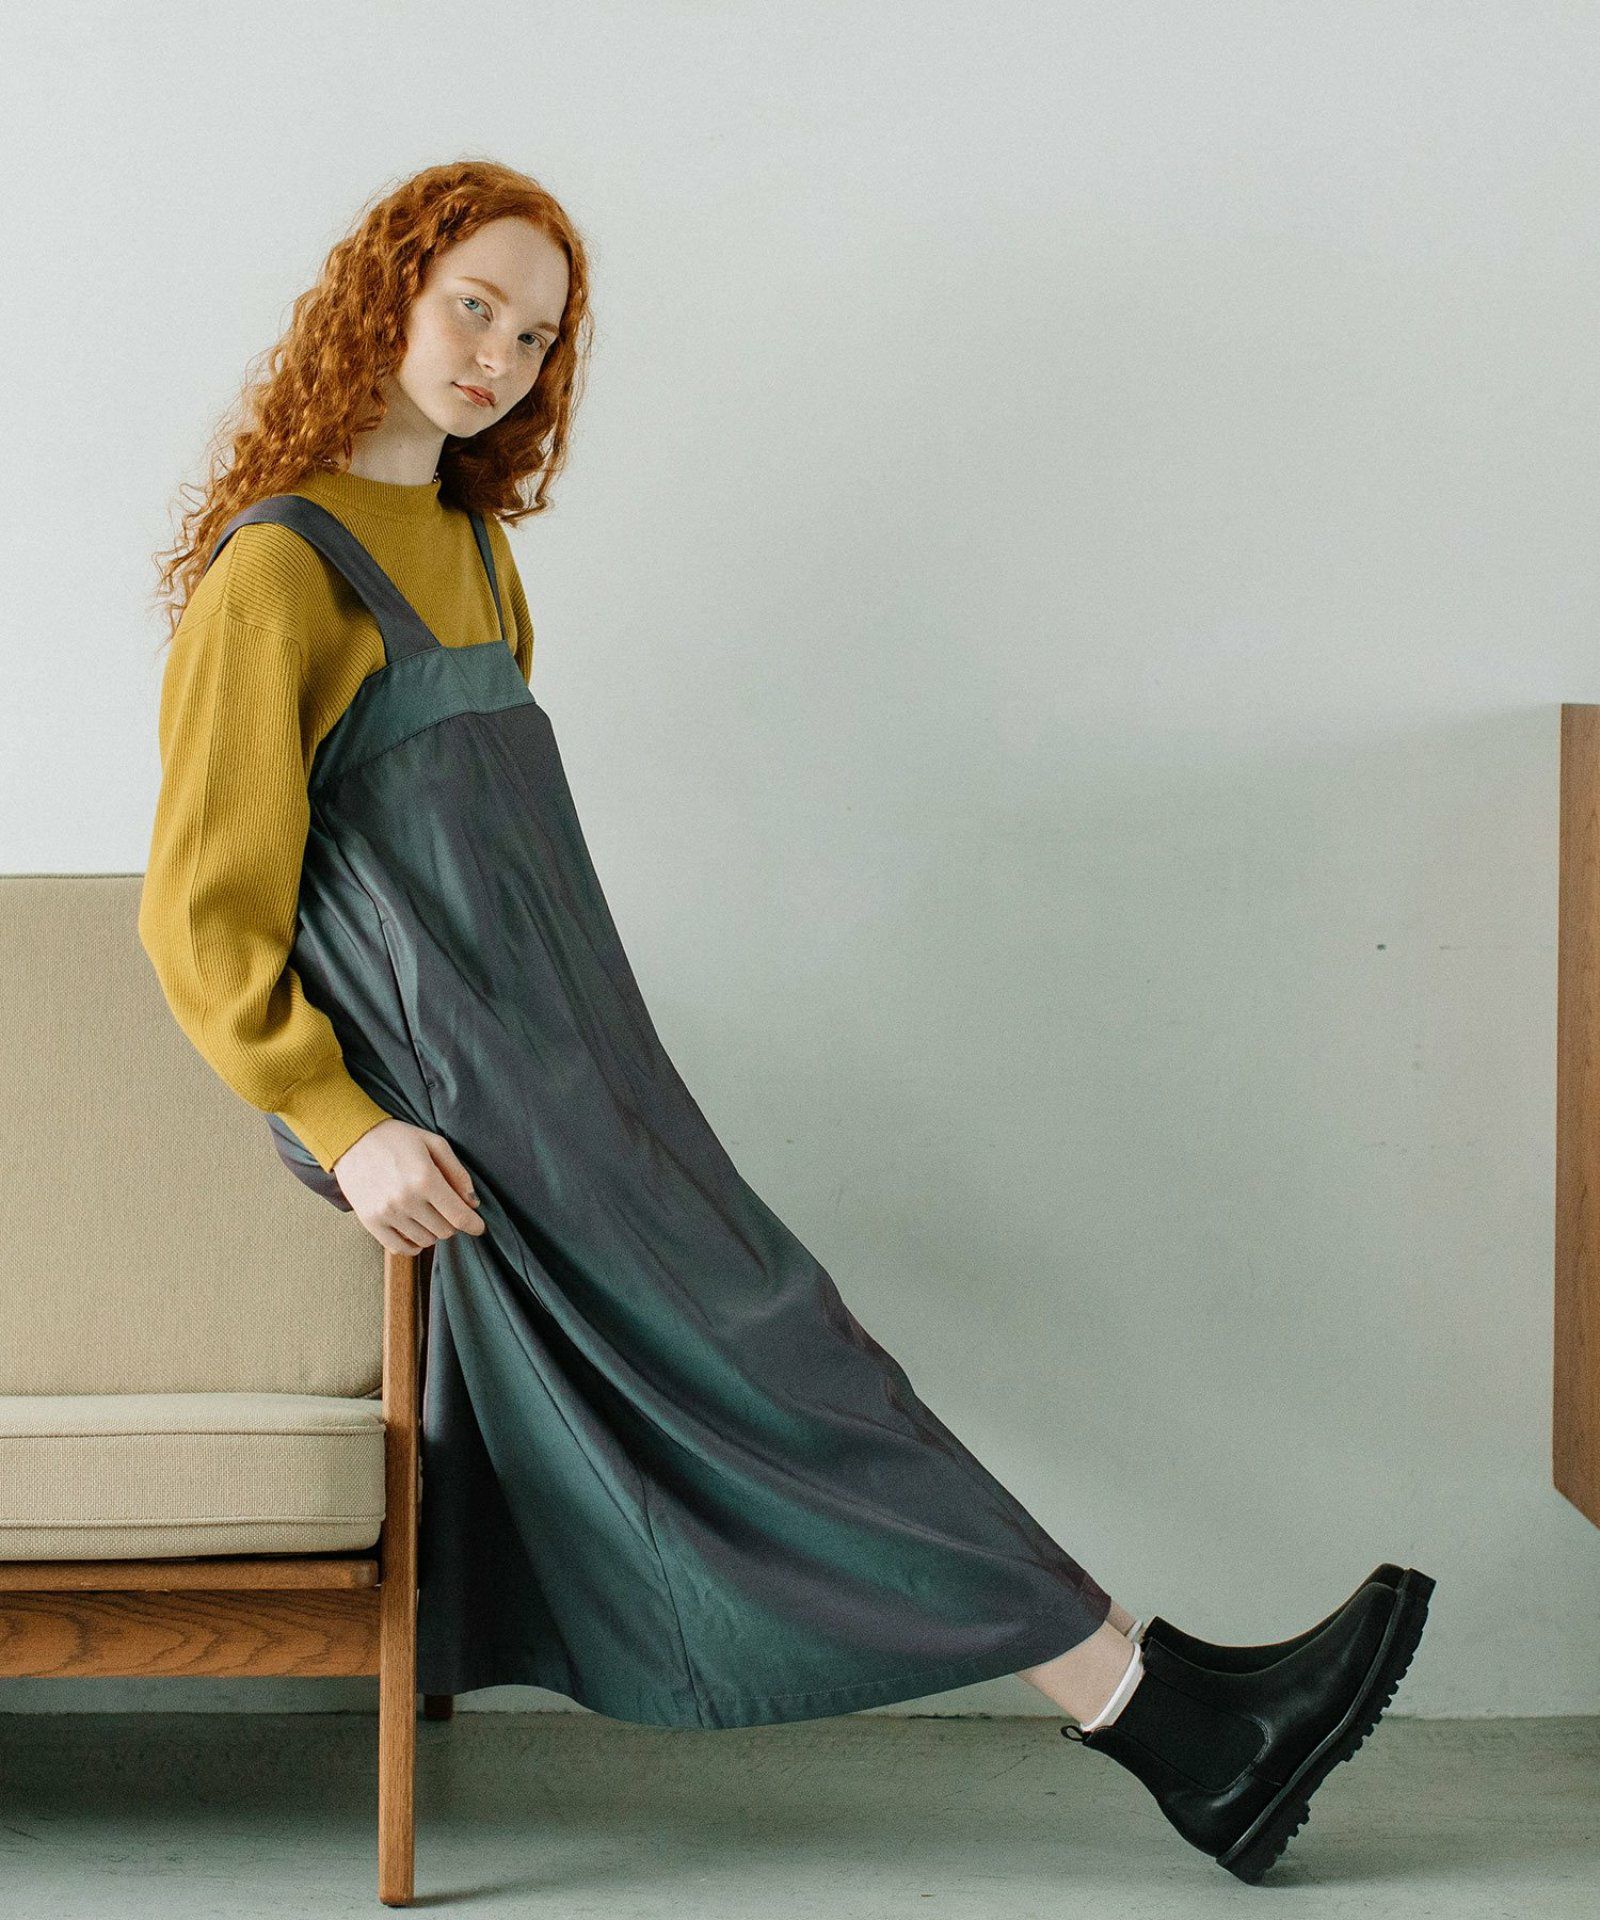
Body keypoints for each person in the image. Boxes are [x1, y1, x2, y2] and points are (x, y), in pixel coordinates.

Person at [138, 157, 1433, 1883]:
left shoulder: (473, 554)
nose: (498, 359)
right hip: (460, 1109)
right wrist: (343, 1122)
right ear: (387, 295)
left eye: (535, 337)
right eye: (473, 308)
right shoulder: (279, 570)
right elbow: (202, 911)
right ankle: (1166, 1719)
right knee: (791, 1376)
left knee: (804, 1356)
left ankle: (1165, 1702)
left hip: (582, 1068)